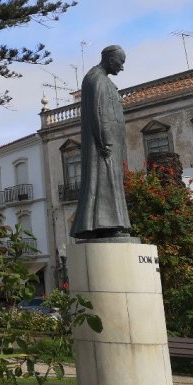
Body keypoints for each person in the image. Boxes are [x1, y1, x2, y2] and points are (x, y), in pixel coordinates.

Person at [70, 45, 132, 240]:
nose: (122, 67)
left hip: (110, 142)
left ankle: (112, 223)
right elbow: (95, 111)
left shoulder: (103, 79)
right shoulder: (95, 78)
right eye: (120, 62)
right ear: (110, 58)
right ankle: (104, 225)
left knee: (111, 183)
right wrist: (102, 140)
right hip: (104, 145)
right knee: (103, 183)